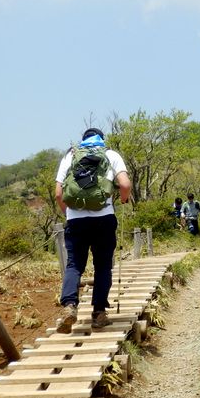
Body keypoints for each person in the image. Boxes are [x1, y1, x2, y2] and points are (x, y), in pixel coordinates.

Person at [55, 128, 131, 332]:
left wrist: (69, 214)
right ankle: (99, 313)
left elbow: (58, 194)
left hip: (76, 221)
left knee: (74, 265)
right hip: (104, 218)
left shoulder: (70, 156)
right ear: (101, 140)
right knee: (103, 266)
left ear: (83, 141)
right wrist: (124, 199)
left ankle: (70, 306)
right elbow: (124, 184)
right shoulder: (110, 154)